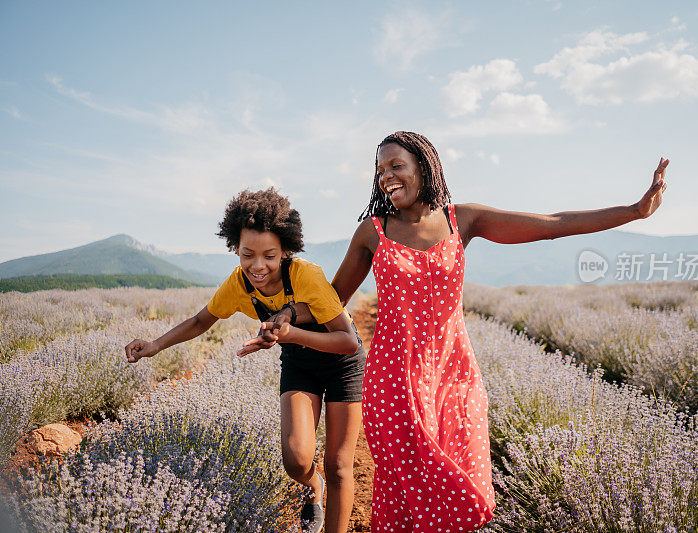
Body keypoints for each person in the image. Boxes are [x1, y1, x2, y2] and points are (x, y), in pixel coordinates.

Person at [266, 131, 669, 531]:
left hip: (454, 376)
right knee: (410, 495)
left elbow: (550, 224)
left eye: (396, 166)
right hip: (394, 382)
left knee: (468, 487)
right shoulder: (374, 232)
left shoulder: (464, 219)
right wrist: (288, 313)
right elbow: (333, 299)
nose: (386, 176)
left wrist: (632, 211)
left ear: (424, 167)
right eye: (380, 170)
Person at [124, 188, 366, 533]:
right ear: (235, 249)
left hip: (343, 363)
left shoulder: (305, 276)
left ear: (285, 250)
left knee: (340, 465)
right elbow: (199, 321)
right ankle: (314, 486)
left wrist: (289, 334)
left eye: (269, 255)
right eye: (247, 254)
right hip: (300, 364)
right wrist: (156, 345)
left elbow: (347, 341)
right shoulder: (238, 285)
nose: (257, 265)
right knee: (296, 461)